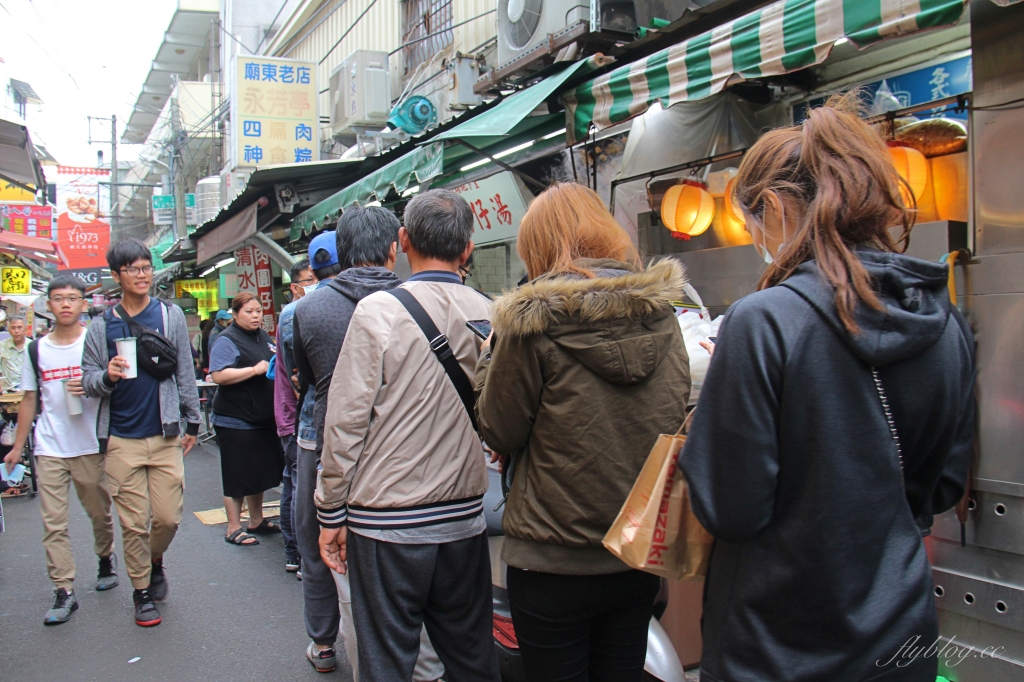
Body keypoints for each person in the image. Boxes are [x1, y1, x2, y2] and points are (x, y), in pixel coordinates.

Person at [679, 101, 976, 682]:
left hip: (774, 643)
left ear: (773, 207)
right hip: (899, 636)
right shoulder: (946, 324)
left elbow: (731, 508)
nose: (758, 239)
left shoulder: (763, 322)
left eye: (754, 221)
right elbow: (941, 488)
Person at [473, 183, 691, 681]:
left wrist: (489, 356)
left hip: (552, 560)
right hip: (635, 550)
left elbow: (499, 429)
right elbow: (675, 409)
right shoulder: (663, 314)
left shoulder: (527, 323)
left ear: (539, 247)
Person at [317, 190, 499, 682]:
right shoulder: (493, 313)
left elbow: (346, 423)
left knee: (389, 661)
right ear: (468, 249)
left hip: (386, 523)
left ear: (402, 241)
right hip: (464, 518)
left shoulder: (379, 311)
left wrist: (330, 512)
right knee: (470, 655)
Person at [294, 208, 443, 679]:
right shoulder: (413, 303)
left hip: (328, 452)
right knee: (407, 571)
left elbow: (305, 381)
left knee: (334, 561)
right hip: (405, 452)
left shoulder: (308, 309)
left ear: (342, 251)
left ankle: (331, 646)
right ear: (395, 248)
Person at [81, 237, 202, 628]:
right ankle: (141, 592)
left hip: (165, 434)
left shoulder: (168, 317)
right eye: (133, 269)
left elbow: (185, 367)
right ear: (118, 276)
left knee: (167, 519)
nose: (143, 275)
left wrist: (192, 419)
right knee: (133, 523)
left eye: (146, 267)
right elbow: (86, 379)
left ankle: (154, 559)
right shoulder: (101, 327)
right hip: (121, 438)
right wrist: (106, 376)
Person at [3, 275, 118, 625]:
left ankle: (104, 557)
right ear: (47, 306)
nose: (65, 304)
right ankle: (64, 590)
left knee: (99, 512)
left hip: (90, 445)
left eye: (72, 298)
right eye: (58, 299)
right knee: (53, 523)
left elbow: (115, 386)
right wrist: (18, 446)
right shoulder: (36, 349)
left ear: (84, 304)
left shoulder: (94, 343)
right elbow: (29, 397)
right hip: (50, 446)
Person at [209, 292, 284, 546]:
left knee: (258, 471)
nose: (255, 316)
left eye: (258, 311)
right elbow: (218, 375)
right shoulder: (227, 339)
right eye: (249, 312)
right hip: (234, 418)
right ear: (235, 314)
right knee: (236, 473)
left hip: (261, 418)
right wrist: (254, 370)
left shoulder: (262, 336)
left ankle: (256, 520)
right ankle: (233, 527)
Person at [276, 258, 316, 574]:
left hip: (295, 412)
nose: (314, 284)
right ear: (295, 287)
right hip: (293, 413)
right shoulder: (293, 315)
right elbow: (296, 376)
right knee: (297, 485)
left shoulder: (298, 315)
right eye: (309, 280)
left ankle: (296, 552)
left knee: (296, 483)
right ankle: (296, 552)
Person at [0, 315, 28, 391]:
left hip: (27, 393)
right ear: (8, 330)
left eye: (19, 327)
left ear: (26, 329)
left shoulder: (32, 347)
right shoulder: (2, 346)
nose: (16, 331)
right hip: (7, 394)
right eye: (13, 328)